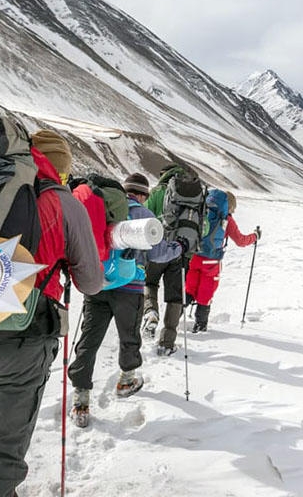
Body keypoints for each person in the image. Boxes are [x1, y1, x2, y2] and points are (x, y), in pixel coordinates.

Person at [0, 129, 103, 497]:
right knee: (0, 452)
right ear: (62, 168)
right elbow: (91, 283)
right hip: (23, 335)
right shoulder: (64, 203)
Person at [68, 173, 184, 426]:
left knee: (89, 338)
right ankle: (126, 380)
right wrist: (180, 248)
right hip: (130, 287)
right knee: (129, 336)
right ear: (143, 194)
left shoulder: (104, 207)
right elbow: (159, 253)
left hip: (97, 283)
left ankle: (81, 398)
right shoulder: (143, 215)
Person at [186, 191, 259, 332]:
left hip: (194, 258)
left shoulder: (202, 213)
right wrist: (254, 236)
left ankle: (173, 323)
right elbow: (241, 241)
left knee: (189, 290)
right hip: (211, 263)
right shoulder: (226, 220)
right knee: (205, 294)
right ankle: (200, 326)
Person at [141, 163, 188, 354]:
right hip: (179, 252)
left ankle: (151, 311)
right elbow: (205, 226)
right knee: (175, 296)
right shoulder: (190, 194)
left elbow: (143, 217)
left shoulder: (157, 192)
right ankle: (167, 343)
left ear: (163, 175)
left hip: (156, 250)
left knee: (150, 283)